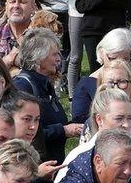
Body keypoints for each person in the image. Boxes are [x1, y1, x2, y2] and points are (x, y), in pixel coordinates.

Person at [12, 28, 80, 164]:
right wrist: (63, 130)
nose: (59, 59)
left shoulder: (44, 83)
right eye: (54, 54)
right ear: (38, 57)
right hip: (34, 170)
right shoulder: (23, 87)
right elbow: (21, 132)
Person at [71, 28, 131, 125]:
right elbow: (80, 123)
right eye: (112, 58)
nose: (118, 64)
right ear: (101, 53)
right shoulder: (86, 84)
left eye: (125, 60)